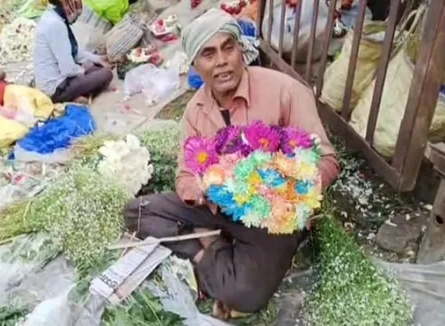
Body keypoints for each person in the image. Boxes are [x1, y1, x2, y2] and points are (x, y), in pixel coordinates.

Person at [124, 9, 339, 318]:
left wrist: (287, 183)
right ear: (195, 64)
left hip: (270, 217)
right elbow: (185, 175)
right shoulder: (194, 112)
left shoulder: (286, 91)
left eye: (229, 47)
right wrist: (207, 189)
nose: (222, 60)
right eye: (209, 54)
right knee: (137, 212)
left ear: (242, 50)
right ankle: (209, 247)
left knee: (245, 296)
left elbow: (328, 160)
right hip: (218, 207)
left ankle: (207, 248)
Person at [34, 0, 113, 103]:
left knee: (96, 67)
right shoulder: (56, 24)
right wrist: (81, 70)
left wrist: (98, 59)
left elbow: (74, 52)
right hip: (56, 88)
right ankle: (71, 97)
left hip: (56, 78)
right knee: (106, 74)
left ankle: (80, 92)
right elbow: (68, 69)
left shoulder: (52, 16)